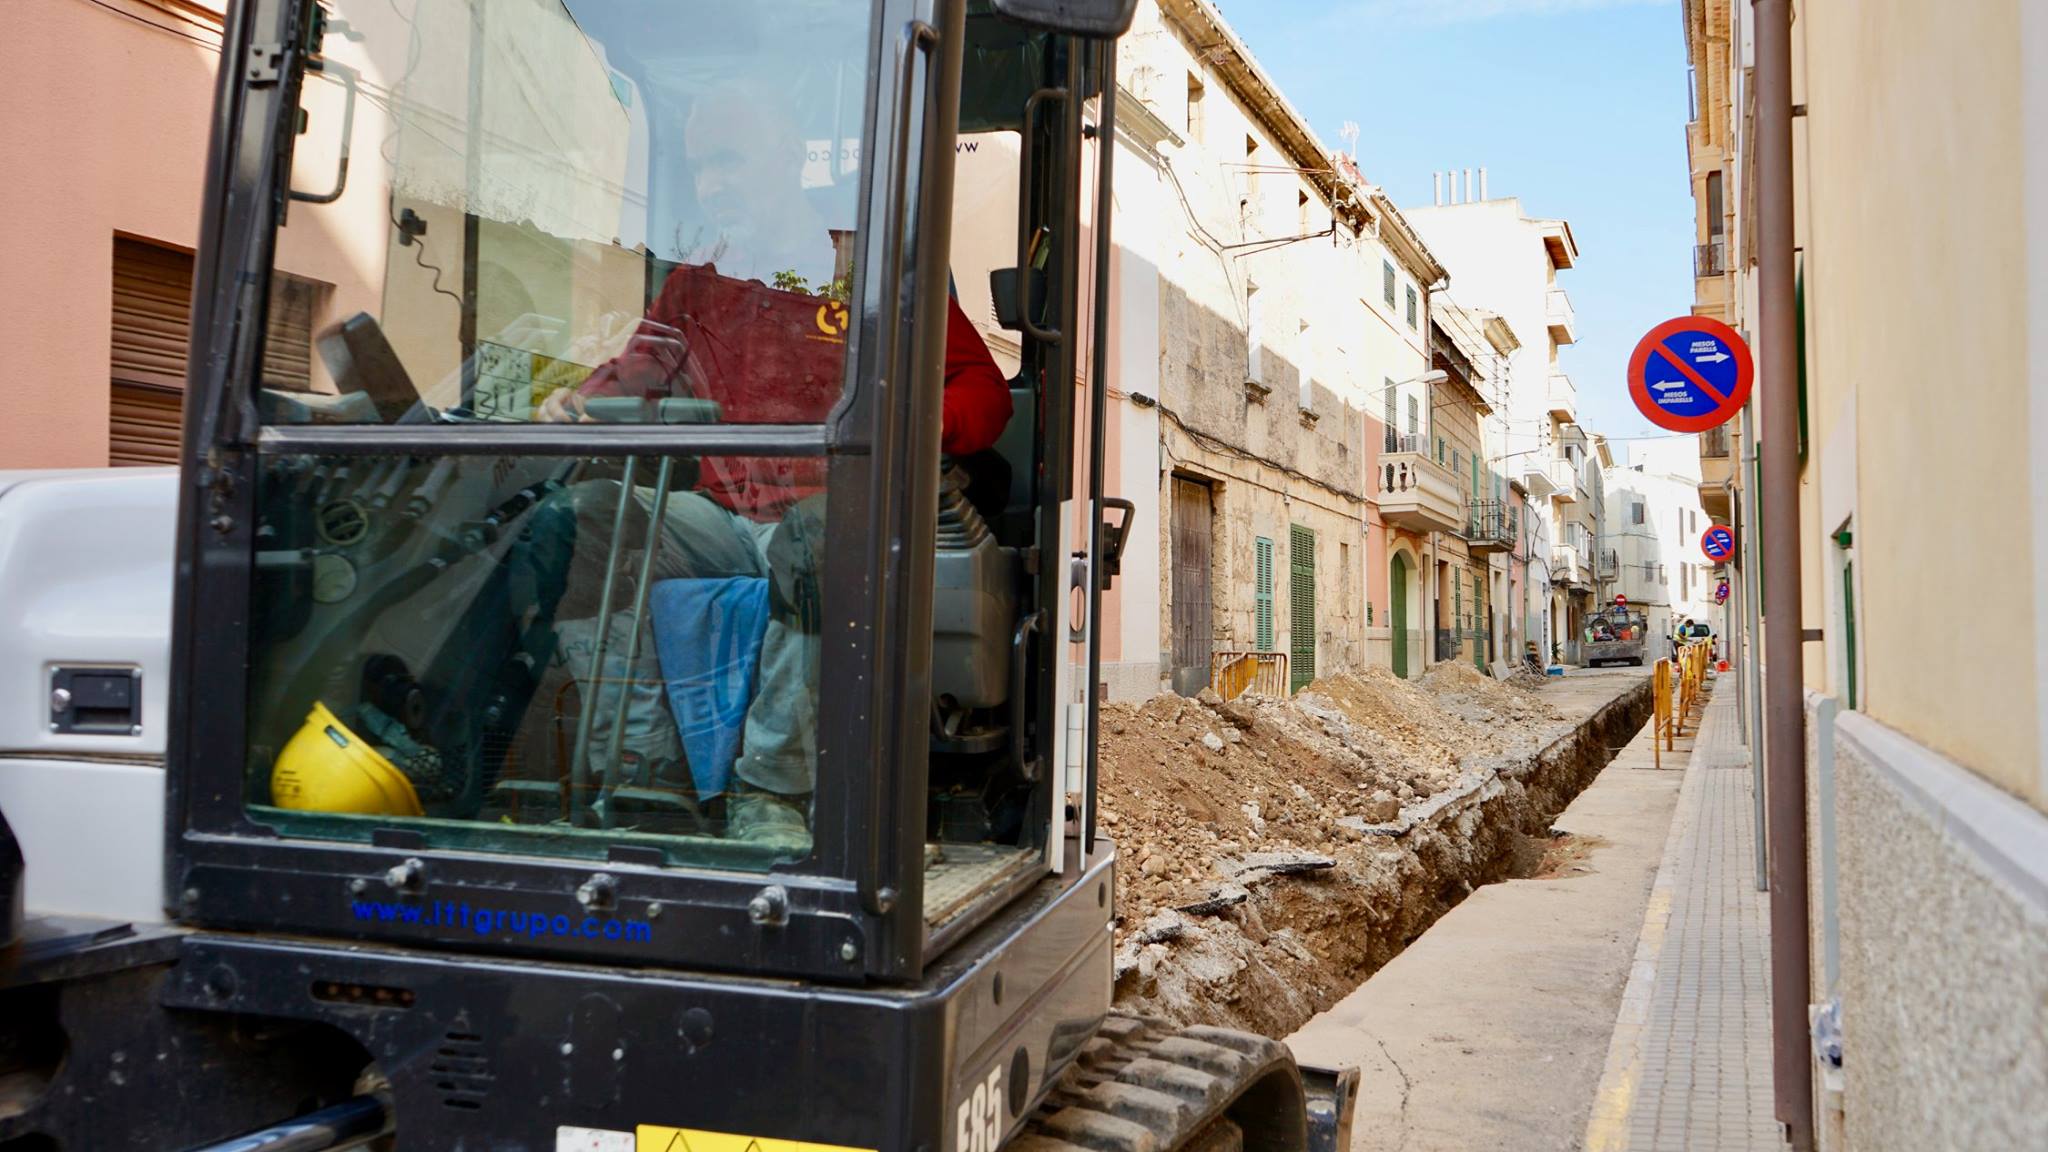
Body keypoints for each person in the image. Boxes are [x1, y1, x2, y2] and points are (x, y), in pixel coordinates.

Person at [534, 83, 1012, 855]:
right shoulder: (695, 283)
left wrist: (910, 426)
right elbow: (639, 373)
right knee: (581, 523)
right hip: (722, 519)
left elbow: (983, 392)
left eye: (728, 161)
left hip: (831, 514)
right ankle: (645, 777)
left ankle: (771, 787)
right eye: (701, 169)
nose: (713, 184)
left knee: (818, 537)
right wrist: (578, 403)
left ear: (789, 157)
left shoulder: (863, 267)